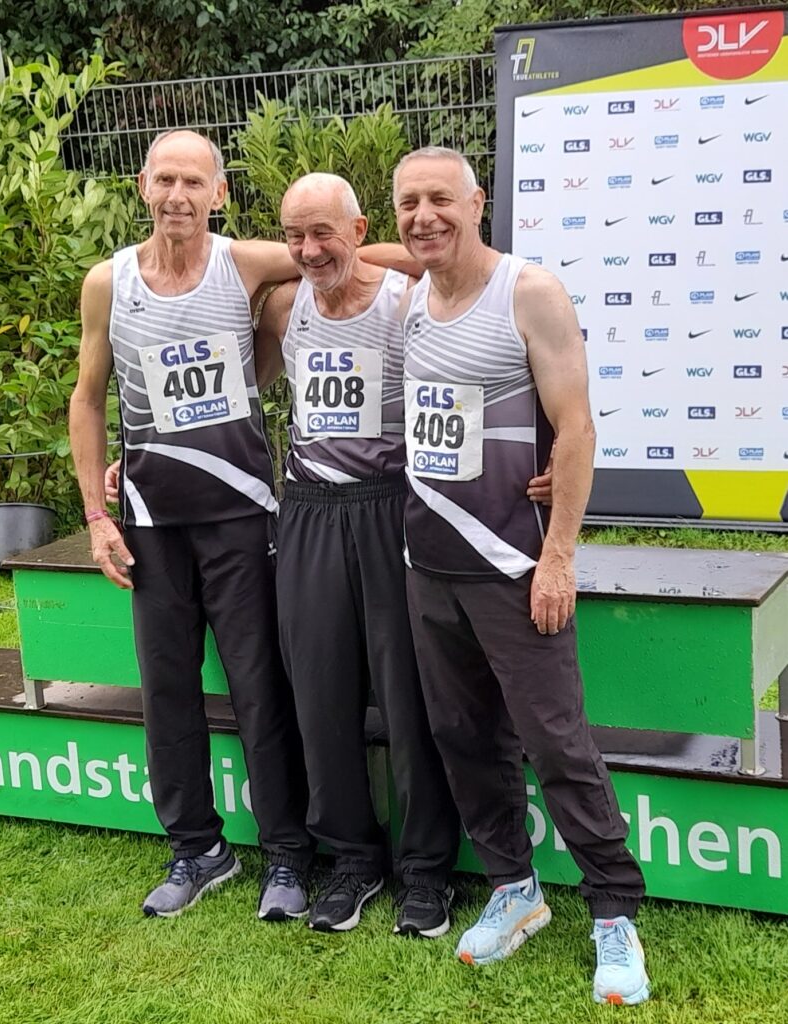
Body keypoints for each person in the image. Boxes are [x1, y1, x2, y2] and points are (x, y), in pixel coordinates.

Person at [70, 130, 404, 921]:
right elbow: (87, 399)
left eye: (194, 181)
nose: (178, 195)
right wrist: (94, 513)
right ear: (143, 186)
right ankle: (197, 848)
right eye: (165, 180)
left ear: (218, 194)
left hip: (244, 516)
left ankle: (287, 853)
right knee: (168, 690)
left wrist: (456, 259)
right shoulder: (107, 282)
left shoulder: (245, 262)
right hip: (151, 520)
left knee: (263, 688)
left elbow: (345, 255)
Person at [392, 147, 650, 1006]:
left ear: (477, 203)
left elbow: (573, 429)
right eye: (406, 203)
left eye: (439, 200)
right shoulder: (411, 301)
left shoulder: (527, 292)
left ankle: (612, 909)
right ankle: (515, 888)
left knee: (556, 744)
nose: (422, 216)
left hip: (515, 568)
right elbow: (341, 257)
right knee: (464, 739)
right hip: (428, 566)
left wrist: (559, 556)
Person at [252, 173, 461, 937]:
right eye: (294, 235)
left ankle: (427, 871)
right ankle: (349, 859)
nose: (309, 250)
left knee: (408, 700)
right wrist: (134, 457)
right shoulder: (283, 304)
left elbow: (481, 356)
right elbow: (242, 392)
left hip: (390, 507)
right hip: (307, 512)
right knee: (319, 696)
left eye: (325, 234)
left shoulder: (407, 301)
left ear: (359, 227)